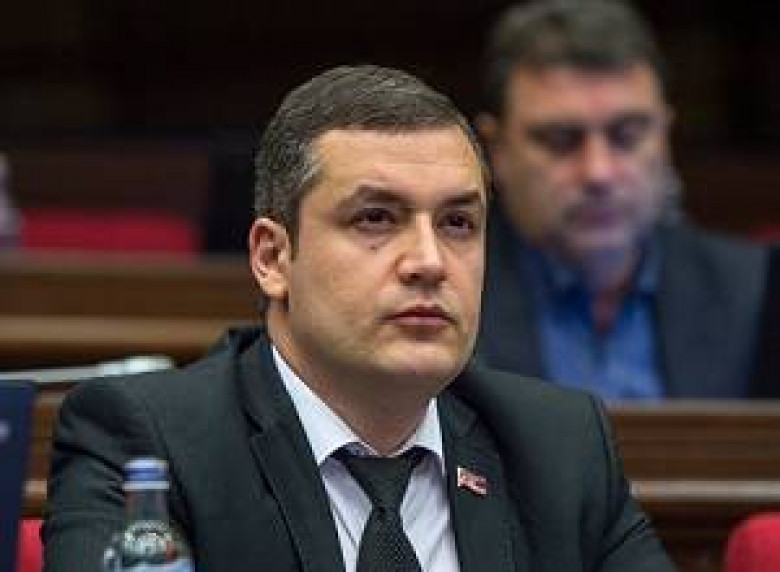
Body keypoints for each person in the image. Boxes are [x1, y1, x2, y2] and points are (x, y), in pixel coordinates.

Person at [43, 65, 675, 571]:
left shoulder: (560, 447)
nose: (429, 262)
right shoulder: (148, 442)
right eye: (376, 218)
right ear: (273, 258)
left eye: (458, 223)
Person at [475, 0, 770, 399]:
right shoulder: (445, 296)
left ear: (665, 135)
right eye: (560, 140)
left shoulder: (756, 290)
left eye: (627, 136)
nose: (599, 173)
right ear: (497, 149)